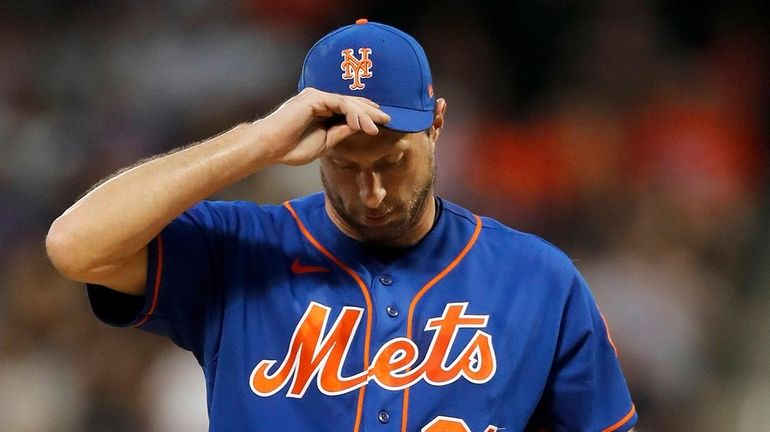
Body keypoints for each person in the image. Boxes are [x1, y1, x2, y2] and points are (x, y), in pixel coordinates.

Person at [46, 19, 637, 432]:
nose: (372, 190)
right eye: (346, 166)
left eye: (392, 161)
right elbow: (75, 245)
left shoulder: (535, 277)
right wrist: (256, 142)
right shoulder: (240, 249)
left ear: (436, 124)